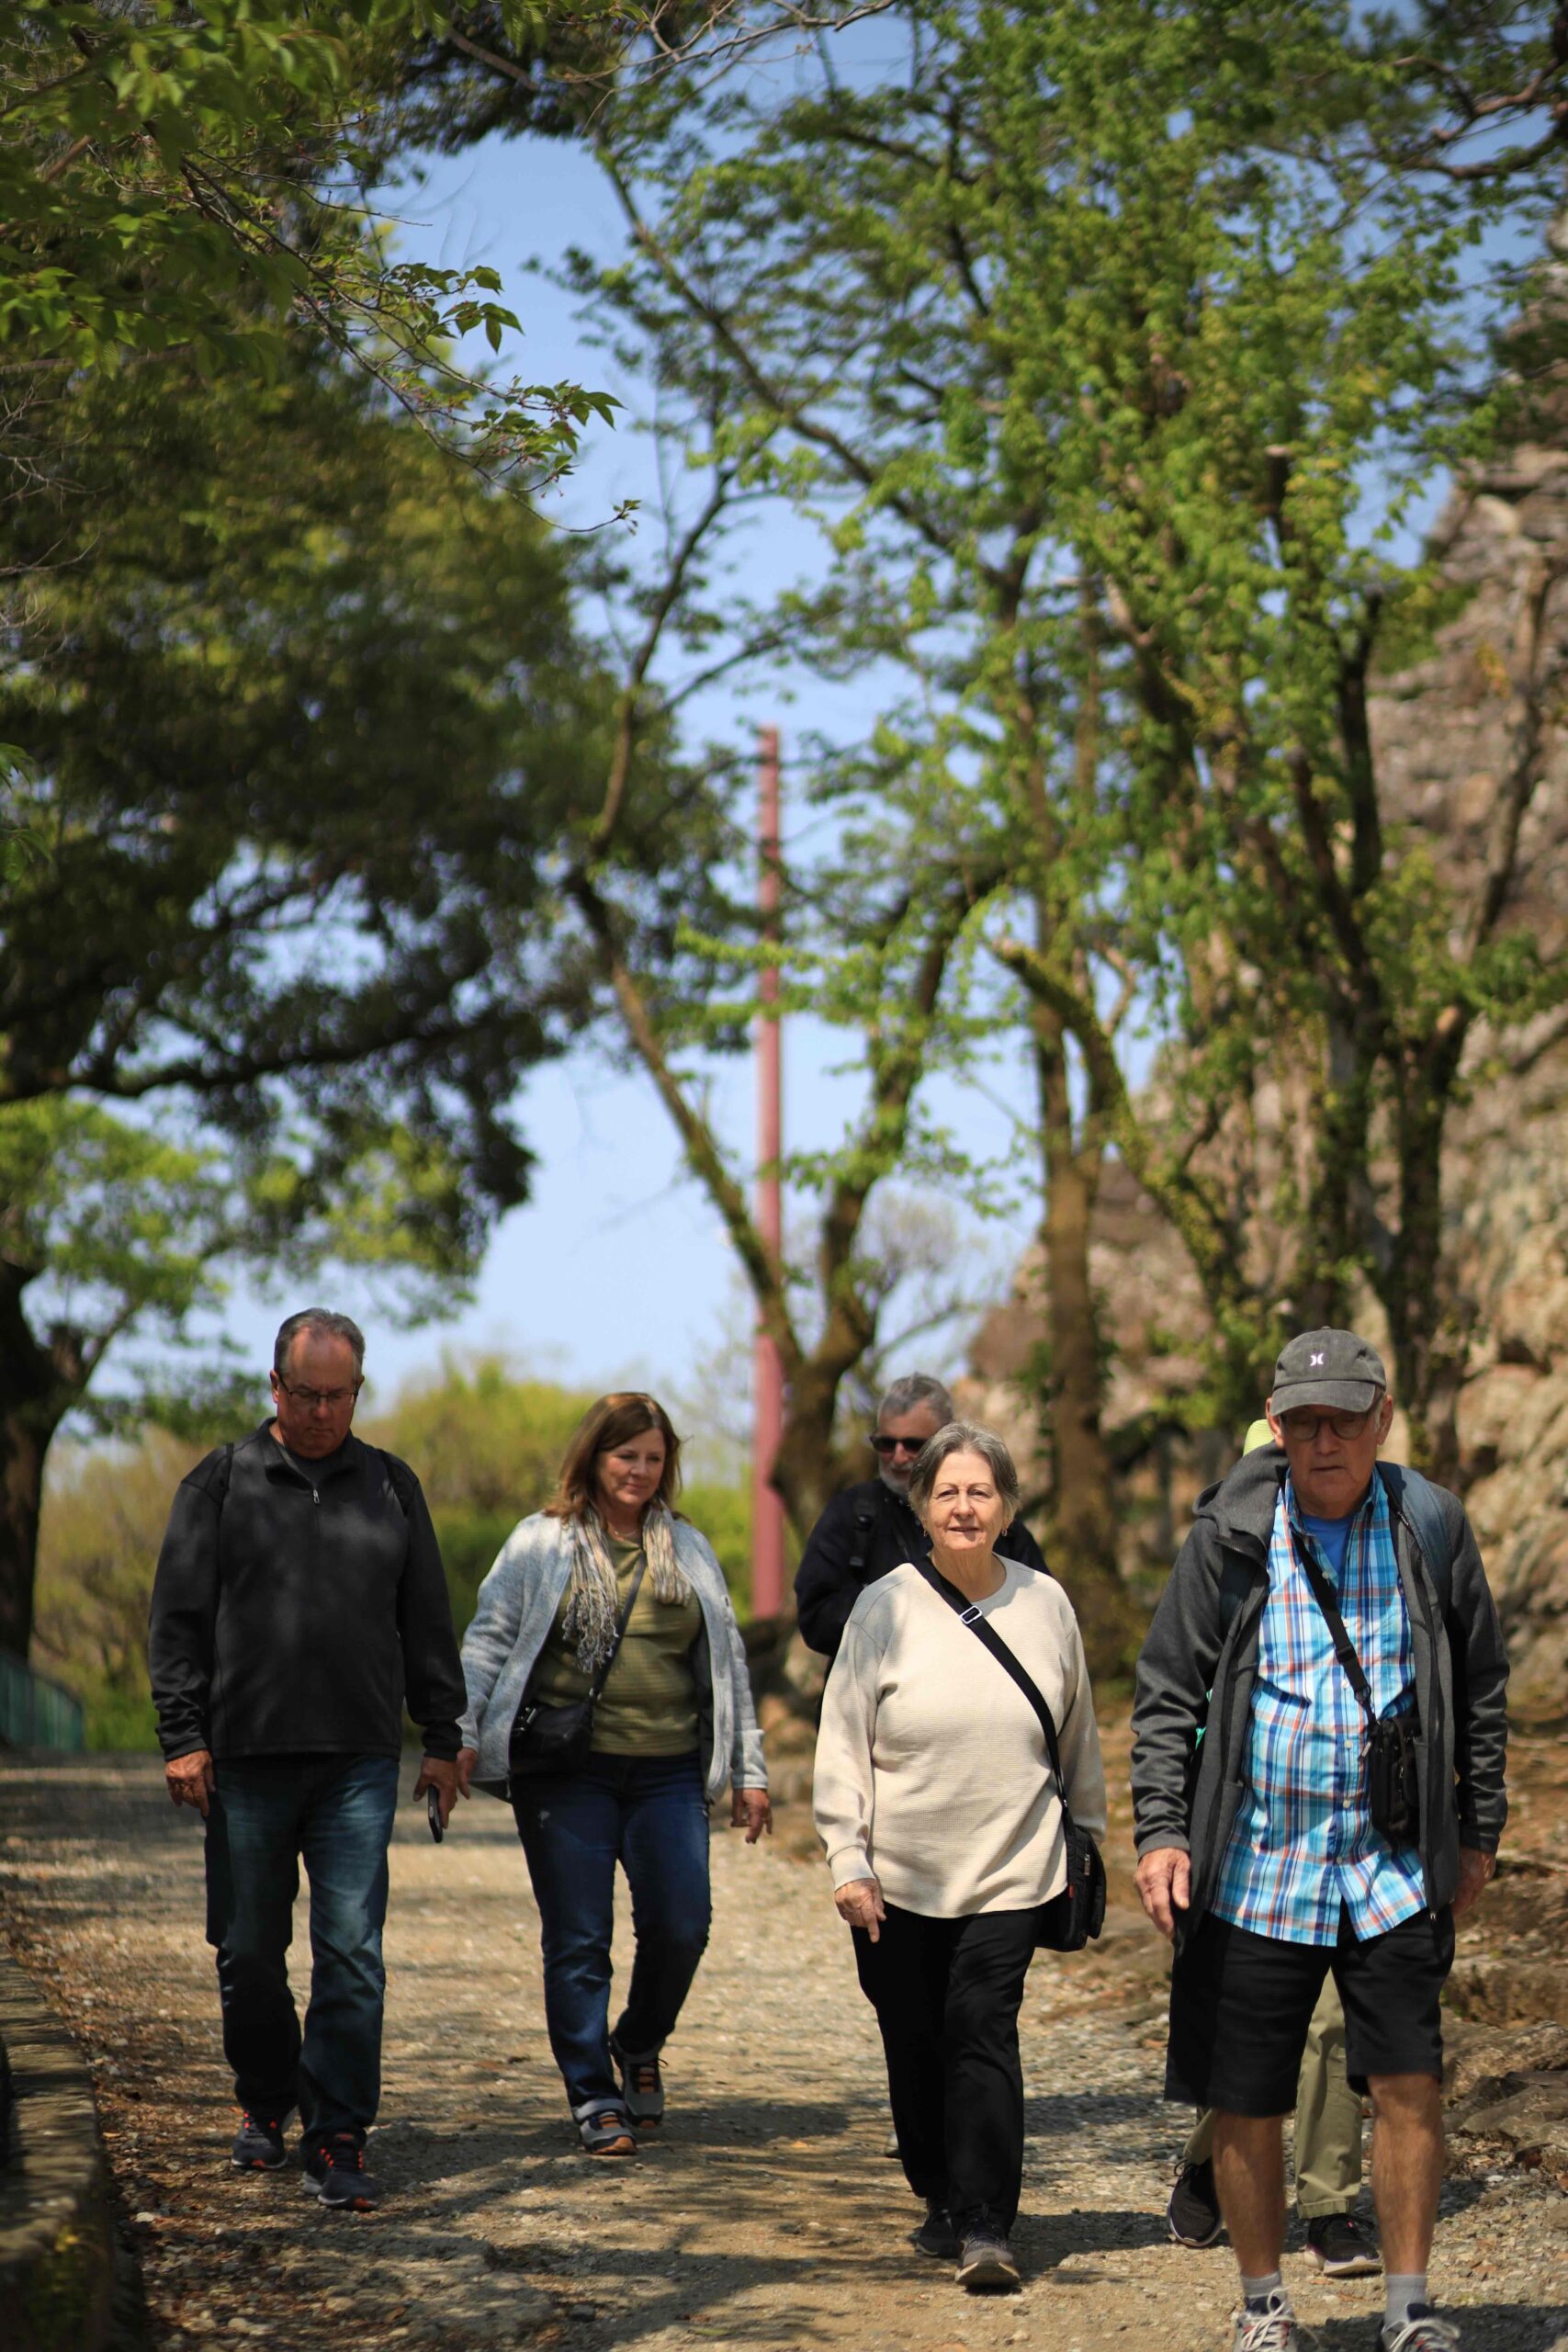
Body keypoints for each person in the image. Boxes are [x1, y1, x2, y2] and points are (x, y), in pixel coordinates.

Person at [1131, 1329, 1509, 2352]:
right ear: (1279, 1427)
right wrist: (1163, 1831)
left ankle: (1408, 2307)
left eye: (1343, 1419)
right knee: (1245, 2095)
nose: (1324, 1440)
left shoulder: (1429, 1524)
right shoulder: (1230, 1533)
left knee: (1407, 2083)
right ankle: (1263, 2308)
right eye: (1304, 1423)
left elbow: (1479, 1686)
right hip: (1259, 1862)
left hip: (1390, 1865)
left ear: (1381, 1418)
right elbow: (1167, 1690)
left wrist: (1479, 1829)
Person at [148, 1309, 467, 2212]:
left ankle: (337, 2131)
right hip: (245, 1757)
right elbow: (175, 1619)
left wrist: (443, 1737)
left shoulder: (392, 1487)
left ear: (358, 1391)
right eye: (307, 1393)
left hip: (357, 1761)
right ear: (275, 1386)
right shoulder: (220, 1482)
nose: (324, 1410)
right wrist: (182, 1735)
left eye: (341, 1395)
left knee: (352, 1952)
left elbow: (428, 1621)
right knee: (249, 1950)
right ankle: (264, 2094)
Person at [815, 1419, 1105, 2293]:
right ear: (922, 1507)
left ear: (1008, 1509)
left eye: (981, 1492)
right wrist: (847, 1858)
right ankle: (938, 2191)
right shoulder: (884, 1606)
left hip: (1012, 1864)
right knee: (912, 2036)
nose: (964, 1507)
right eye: (947, 1493)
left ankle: (986, 2223)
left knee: (981, 2028)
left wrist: (1085, 1837)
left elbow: (1078, 1732)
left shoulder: (1045, 1604)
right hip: (899, 1876)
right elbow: (842, 1741)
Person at [455, 1392, 771, 2156]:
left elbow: (725, 1662)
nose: (638, 1470)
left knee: (681, 1925)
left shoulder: (688, 1547)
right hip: (568, 1773)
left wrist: (748, 1768)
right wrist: (458, 1732)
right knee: (578, 1936)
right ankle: (593, 2094)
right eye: (624, 1454)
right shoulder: (542, 1541)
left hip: (667, 1771)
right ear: (594, 1457)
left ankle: (637, 2040)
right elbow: (489, 1640)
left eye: (652, 1457)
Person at [1169, 1422, 1377, 2279]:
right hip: (1247, 1836)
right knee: (1254, 2036)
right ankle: (1207, 2159)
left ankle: (1330, 2205)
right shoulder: (1223, 1546)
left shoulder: (1383, 1536)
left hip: (1353, 1836)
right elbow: (1174, 1687)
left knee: (1329, 2027)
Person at [795, 1374, 1049, 1657]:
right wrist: (900, 1609)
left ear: (947, 1440)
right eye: (886, 1444)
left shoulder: (992, 1520)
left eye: (913, 1444)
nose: (898, 1456)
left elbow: (1041, 1615)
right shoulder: (851, 1513)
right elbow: (816, 1621)